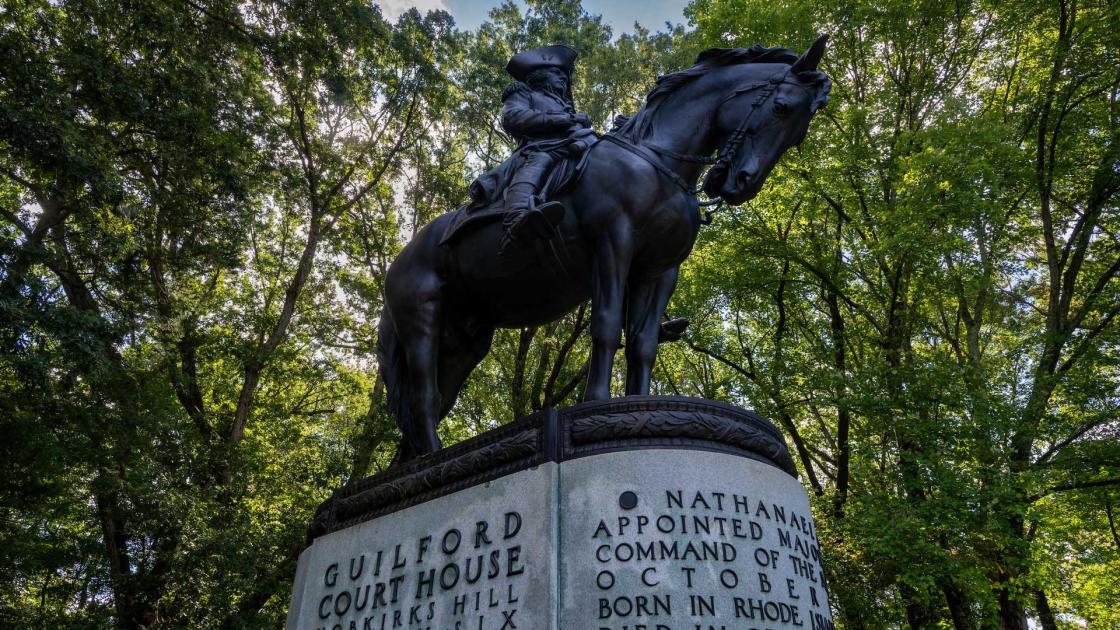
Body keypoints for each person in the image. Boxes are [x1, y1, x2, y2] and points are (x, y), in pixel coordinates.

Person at [495, 45, 594, 248]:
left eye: (564, 75)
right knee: (538, 162)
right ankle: (516, 220)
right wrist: (565, 119)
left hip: (575, 147)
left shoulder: (564, 104)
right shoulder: (525, 94)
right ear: (540, 76)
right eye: (556, 73)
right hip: (539, 150)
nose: (563, 78)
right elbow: (513, 117)